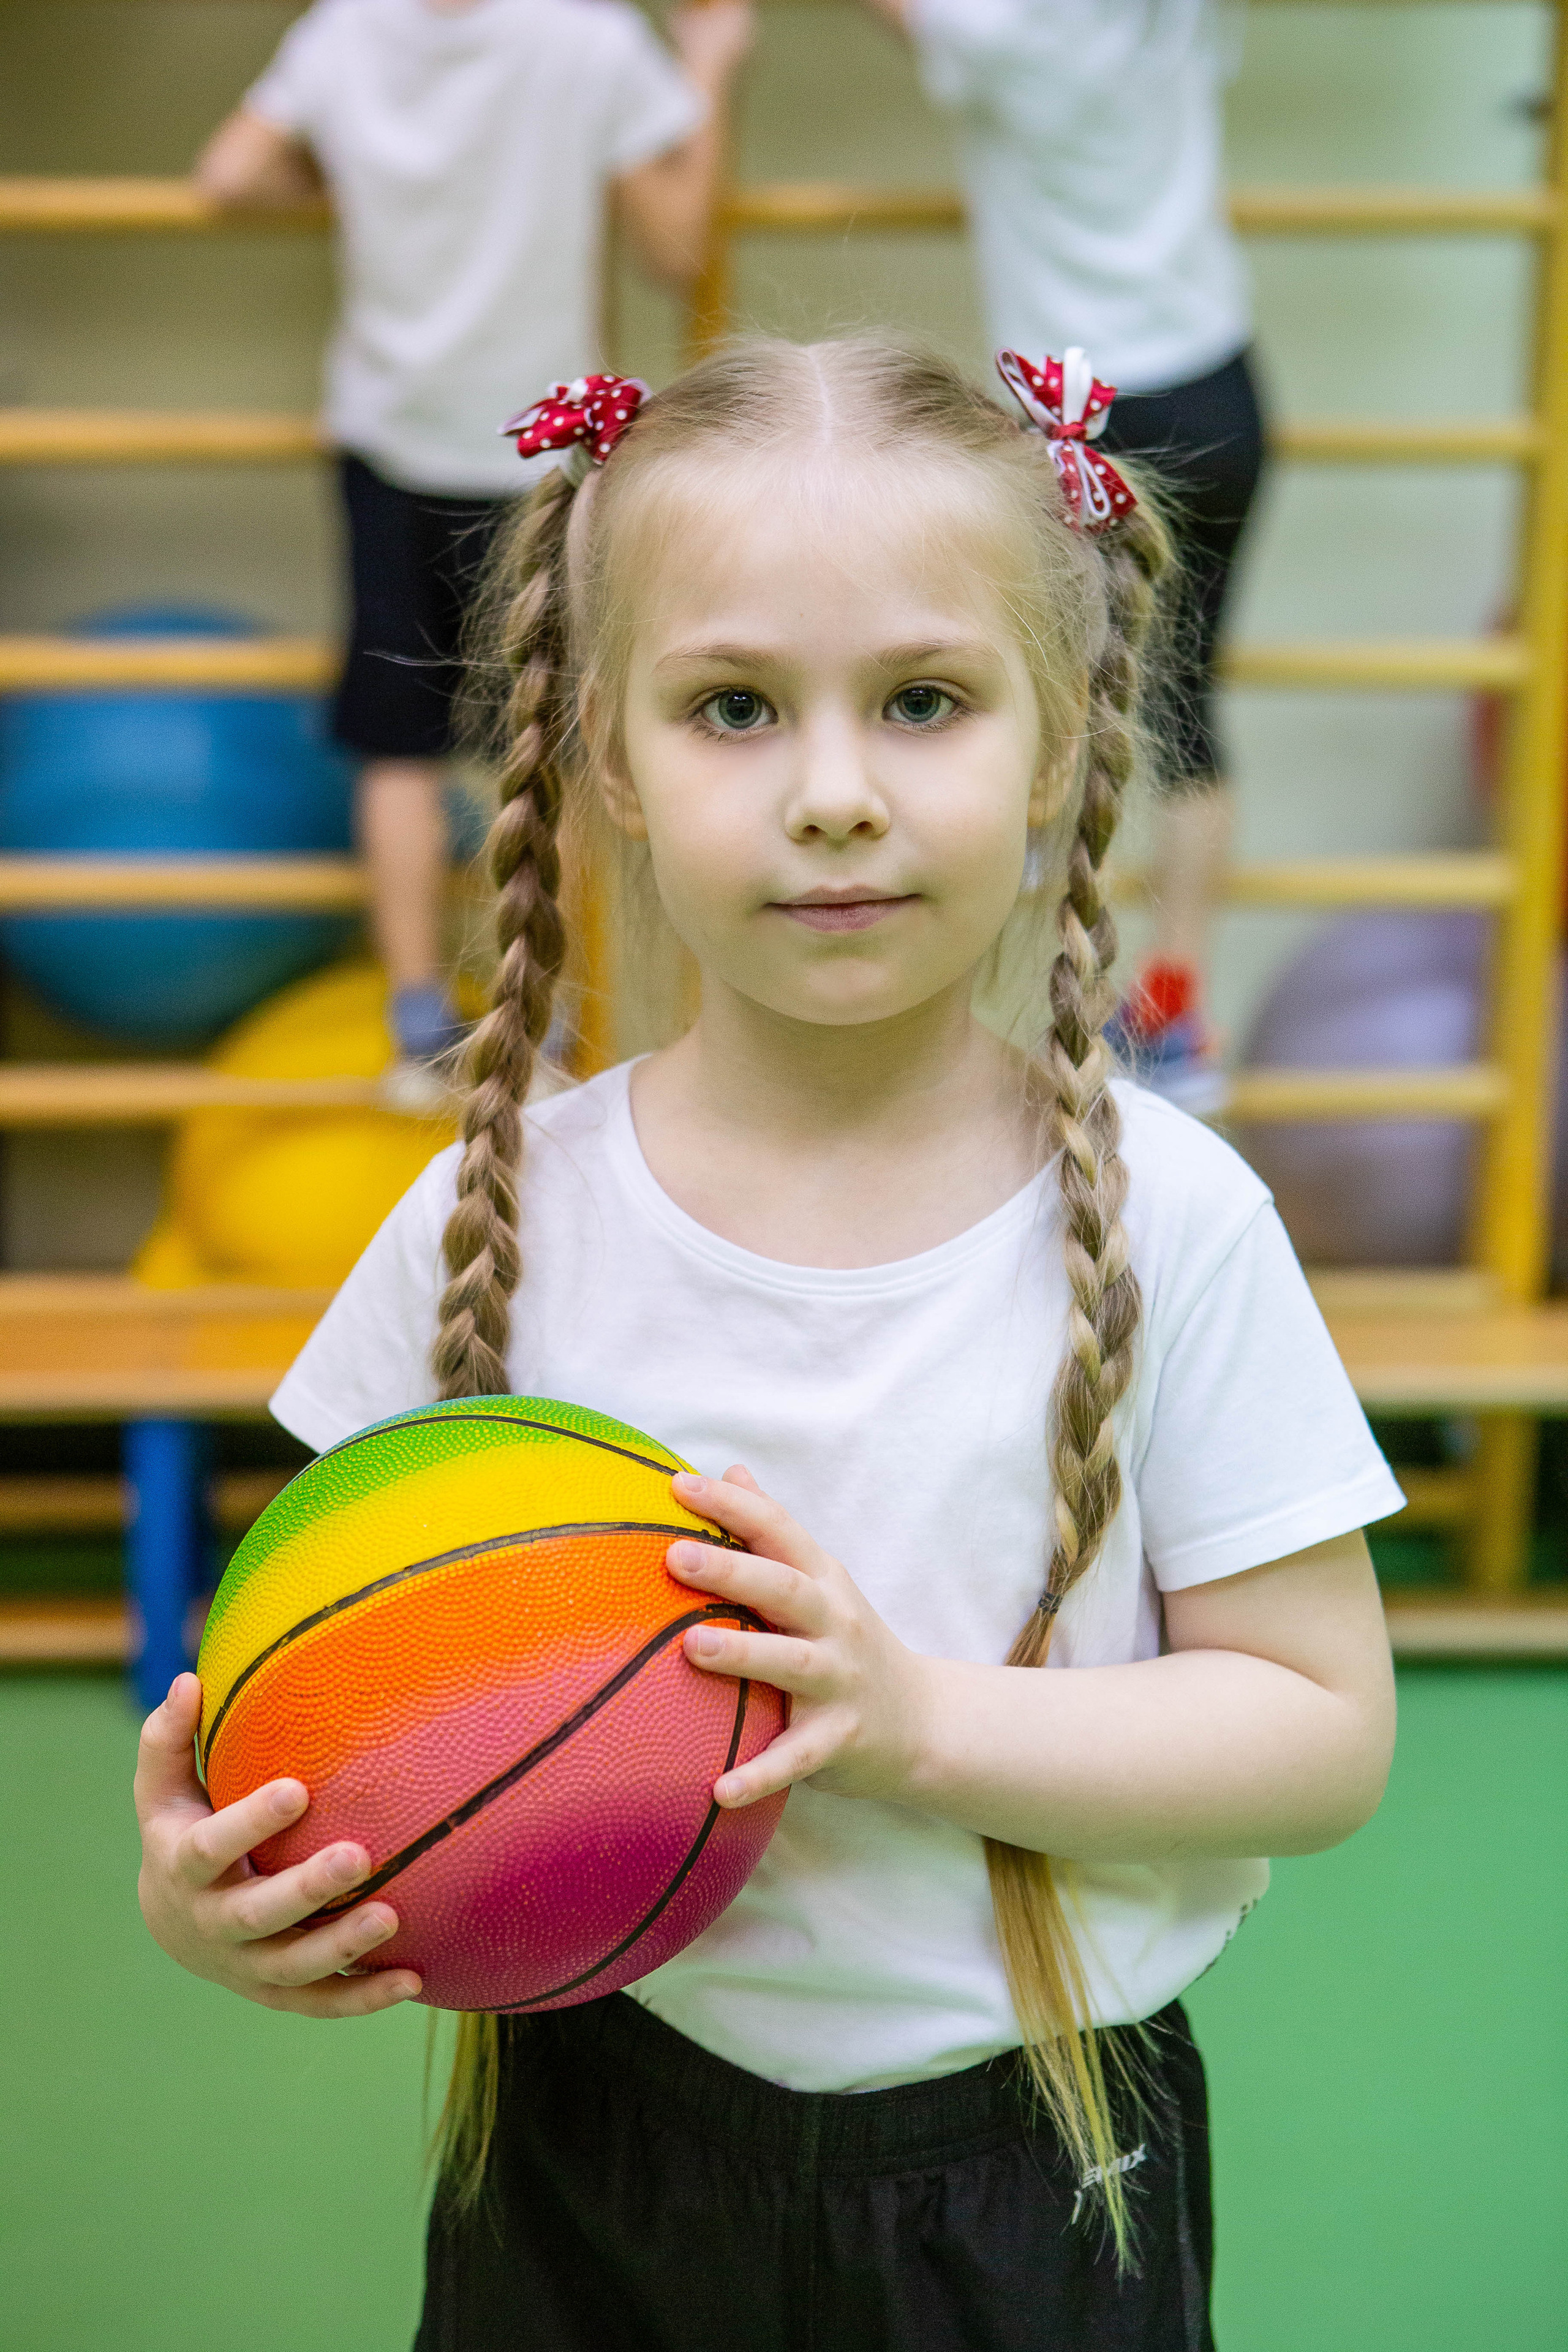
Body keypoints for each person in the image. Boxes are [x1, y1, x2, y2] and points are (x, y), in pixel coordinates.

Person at [134, 337, 1400, 2350]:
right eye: (735, 705)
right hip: (585, 2148)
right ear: (614, 755)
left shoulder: (1178, 1220)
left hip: (1040, 2167)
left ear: (1065, 733)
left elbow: (1323, 1734)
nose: (831, 794)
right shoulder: (497, 1211)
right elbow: (304, 1679)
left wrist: (913, 1722)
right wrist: (226, 1882)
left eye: (923, 700)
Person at [194, 0, 753, 1106]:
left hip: (390, 436)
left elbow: (229, 175)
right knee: (543, 739)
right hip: (533, 449)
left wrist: (339, 180)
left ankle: (416, 1023)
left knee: (399, 744)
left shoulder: (344, 33)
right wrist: (711, 69)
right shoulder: (585, 38)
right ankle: (538, 1022)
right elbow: (678, 242)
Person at [864, 0, 1264, 1111]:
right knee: (1184, 709)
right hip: (1220, 392)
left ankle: (1020, 997)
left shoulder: (998, 29)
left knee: (1038, 700)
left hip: (1087, 413)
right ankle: (1177, 1007)